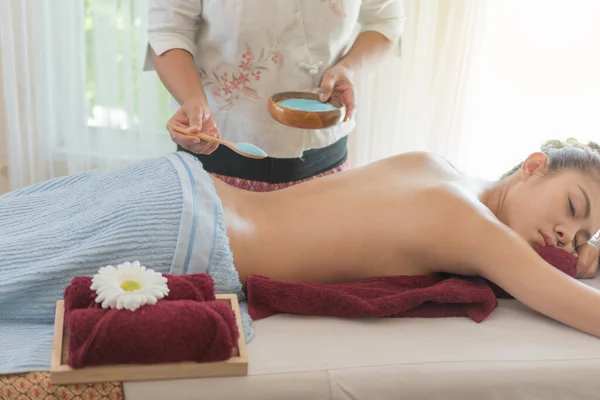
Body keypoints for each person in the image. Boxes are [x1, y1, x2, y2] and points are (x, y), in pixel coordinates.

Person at [1, 139, 600, 374]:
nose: (563, 237)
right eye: (572, 207)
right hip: (186, 235)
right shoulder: (475, 228)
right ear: (532, 166)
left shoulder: (438, 165)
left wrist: (580, 255)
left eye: (581, 238)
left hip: (179, 187)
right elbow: (581, 309)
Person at [144, 0, 404, 191]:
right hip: (217, 155)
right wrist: (192, 100)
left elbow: (386, 20)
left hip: (325, 162)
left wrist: (349, 68)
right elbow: (170, 31)